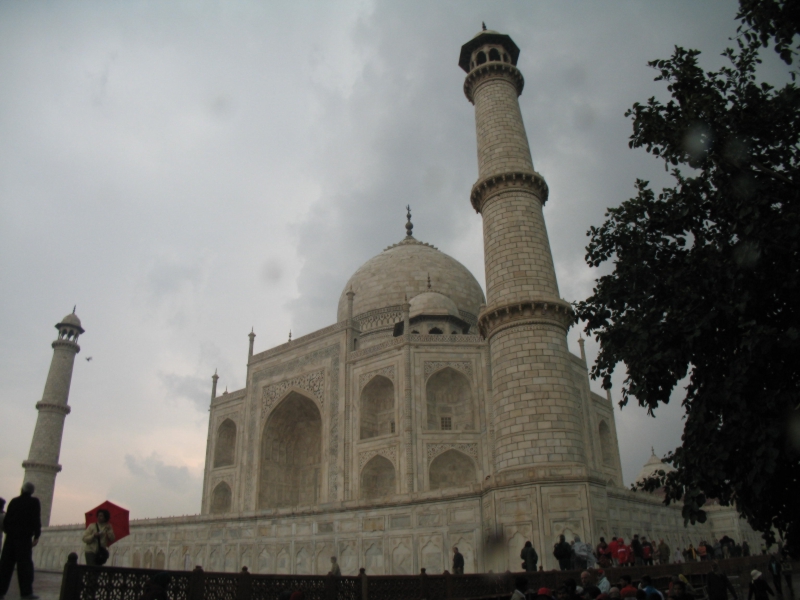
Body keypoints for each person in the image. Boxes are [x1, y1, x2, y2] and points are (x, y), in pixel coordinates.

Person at [0, 482, 41, 600]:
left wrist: (9, 532)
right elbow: (36, 520)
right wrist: (36, 535)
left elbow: (7, 520)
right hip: (24, 539)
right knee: (24, 567)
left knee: (5, 567)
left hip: (11, 539)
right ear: (32, 492)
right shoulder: (34, 502)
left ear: (22, 490)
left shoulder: (14, 501)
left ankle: (1, 591)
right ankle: (26, 593)